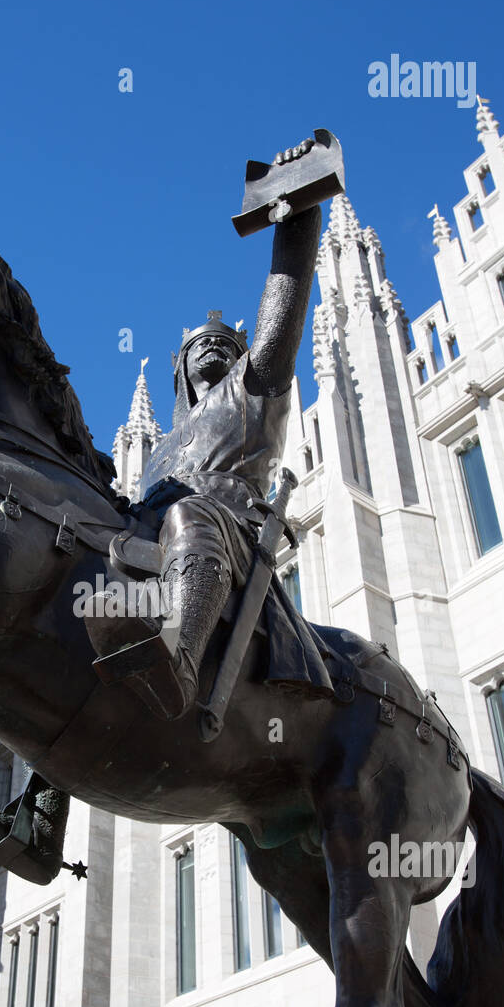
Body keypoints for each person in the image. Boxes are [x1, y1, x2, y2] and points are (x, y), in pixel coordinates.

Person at [86, 141, 323, 719]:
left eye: (226, 345)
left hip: (227, 533)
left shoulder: (254, 388)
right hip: (150, 546)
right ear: (179, 374)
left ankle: (181, 660)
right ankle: (40, 800)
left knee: (187, 514)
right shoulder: (163, 448)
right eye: (198, 347)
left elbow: (280, 317)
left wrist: (297, 207)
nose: (212, 346)